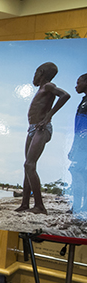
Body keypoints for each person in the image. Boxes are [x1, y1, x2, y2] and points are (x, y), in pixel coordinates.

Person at [16, 62, 70, 214]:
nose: (33, 76)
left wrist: (48, 117)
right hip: (32, 129)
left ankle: (40, 206)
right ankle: (25, 204)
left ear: (41, 72)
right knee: (27, 166)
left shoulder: (48, 86)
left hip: (42, 128)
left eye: (35, 73)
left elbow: (65, 95)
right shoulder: (41, 89)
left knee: (29, 165)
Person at [68, 73, 87, 214]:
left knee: (79, 173)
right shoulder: (83, 100)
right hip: (79, 143)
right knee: (76, 173)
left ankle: (82, 208)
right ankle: (76, 207)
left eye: (78, 82)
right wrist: (74, 146)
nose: (76, 85)